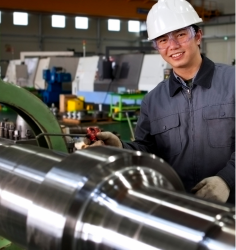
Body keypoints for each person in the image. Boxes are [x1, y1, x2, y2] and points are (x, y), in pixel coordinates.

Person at [84, 0, 235, 204]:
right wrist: (120, 146)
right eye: (162, 40)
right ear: (157, 47)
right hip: (178, 206)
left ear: (198, 36)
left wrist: (227, 180)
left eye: (181, 34)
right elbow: (147, 151)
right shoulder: (153, 100)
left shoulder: (232, 82)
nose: (172, 46)